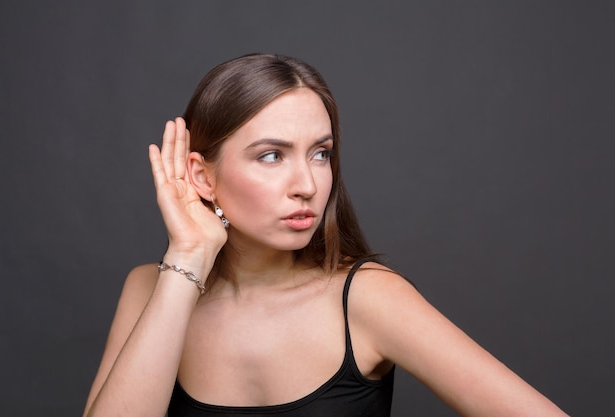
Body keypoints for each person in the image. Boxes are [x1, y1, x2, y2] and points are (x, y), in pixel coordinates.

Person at [82, 53, 568, 417]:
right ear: (202, 176)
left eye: (320, 153)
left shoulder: (368, 297)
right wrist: (187, 257)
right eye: (272, 156)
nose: (308, 185)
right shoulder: (149, 288)